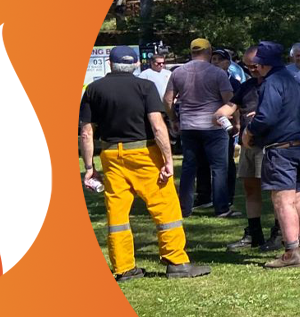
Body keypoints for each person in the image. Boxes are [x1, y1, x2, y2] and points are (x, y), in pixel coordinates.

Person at [79, 45, 211, 280]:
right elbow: (158, 126)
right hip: (144, 153)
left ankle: (124, 268)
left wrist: (90, 168)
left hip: (110, 155)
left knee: (117, 215)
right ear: (136, 65)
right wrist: (168, 160)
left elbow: (87, 132)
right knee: (165, 207)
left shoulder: (93, 89)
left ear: (111, 63)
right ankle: (176, 261)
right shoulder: (145, 86)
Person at [247, 41, 300, 269]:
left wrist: (249, 130)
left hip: (282, 149)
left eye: (256, 64)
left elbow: (266, 117)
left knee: (282, 200)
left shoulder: (272, 83)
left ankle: (291, 252)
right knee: (297, 197)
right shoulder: (297, 78)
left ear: (262, 64)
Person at [168, 38, 239, 218]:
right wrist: (236, 123)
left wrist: (174, 119)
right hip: (213, 127)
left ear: (191, 52)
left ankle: (184, 208)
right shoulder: (217, 73)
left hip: (189, 126)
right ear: (209, 52)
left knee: (189, 167)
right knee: (219, 168)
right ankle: (221, 208)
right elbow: (230, 101)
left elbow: (167, 99)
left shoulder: (178, 72)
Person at [227, 46, 281, 252]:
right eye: (248, 66)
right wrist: (219, 114)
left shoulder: (274, 84)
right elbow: (231, 106)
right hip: (249, 145)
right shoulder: (248, 85)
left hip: (269, 145)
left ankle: (279, 233)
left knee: (276, 191)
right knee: (250, 189)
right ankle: (254, 233)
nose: (252, 70)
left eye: (255, 66)